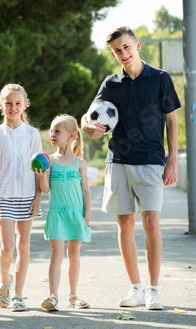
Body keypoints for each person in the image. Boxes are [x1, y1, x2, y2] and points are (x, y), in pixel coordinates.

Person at [81, 26, 180, 310]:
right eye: (117, 51)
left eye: (126, 47)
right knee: (125, 224)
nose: (123, 54)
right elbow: (88, 116)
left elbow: (172, 122)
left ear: (136, 45)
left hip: (151, 161)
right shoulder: (110, 83)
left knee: (151, 222)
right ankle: (135, 288)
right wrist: (88, 127)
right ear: (113, 54)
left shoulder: (160, 78)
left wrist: (171, 159)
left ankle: (153, 290)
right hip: (119, 161)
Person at [0, 84, 42, 312]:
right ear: (1, 105)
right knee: (7, 248)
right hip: (4, 197)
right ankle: (5, 283)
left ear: (25, 105)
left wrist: (37, 197)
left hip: (27, 196)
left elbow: (40, 168)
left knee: (24, 245)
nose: (13, 107)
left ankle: (18, 294)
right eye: (8, 103)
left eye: (18, 103)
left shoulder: (32, 134)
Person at [34, 114, 91, 311]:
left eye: (57, 131)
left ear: (71, 136)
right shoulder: (49, 161)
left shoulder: (80, 163)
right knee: (56, 254)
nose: (52, 134)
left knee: (74, 254)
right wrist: (41, 176)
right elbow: (46, 189)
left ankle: (73, 295)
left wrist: (87, 216)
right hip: (57, 214)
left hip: (76, 214)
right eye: (51, 131)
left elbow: (86, 191)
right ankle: (53, 296)